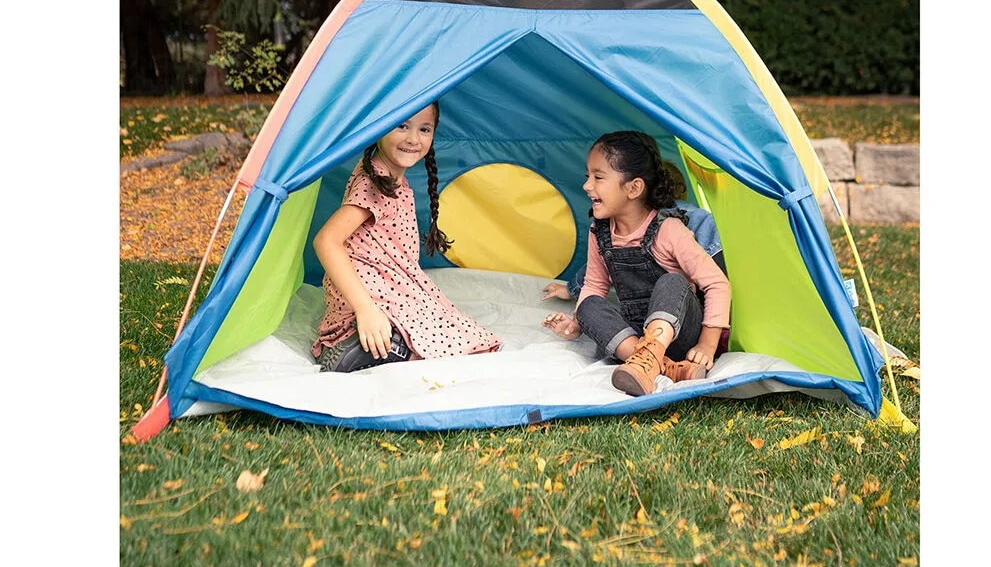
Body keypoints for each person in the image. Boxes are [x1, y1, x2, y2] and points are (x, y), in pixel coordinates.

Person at [311, 101, 501, 372]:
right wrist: (365, 309)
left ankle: (376, 341)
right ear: (379, 128)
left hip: (384, 283)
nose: (413, 139)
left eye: (424, 129)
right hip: (366, 291)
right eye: (402, 126)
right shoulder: (373, 182)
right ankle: (372, 345)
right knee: (447, 346)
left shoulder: (384, 172)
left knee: (452, 325)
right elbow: (326, 240)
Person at [542, 131, 731, 397]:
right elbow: (594, 284)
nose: (586, 185)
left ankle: (650, 359)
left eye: (598, 177)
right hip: (634, 336)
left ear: (634, 188)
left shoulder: (668, 229)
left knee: (672, 282)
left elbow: (717, 284)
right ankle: (663, 367)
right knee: (589, 304)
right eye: (587, 176)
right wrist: (576, 323)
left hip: (681, 336)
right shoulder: (600, 231)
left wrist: (707, 346)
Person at [541, 159, 725, 308]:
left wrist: (571, 289)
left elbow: (601, 263)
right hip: (721, 257)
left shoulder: (648, 220)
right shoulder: (698, 214)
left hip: (702, 269)